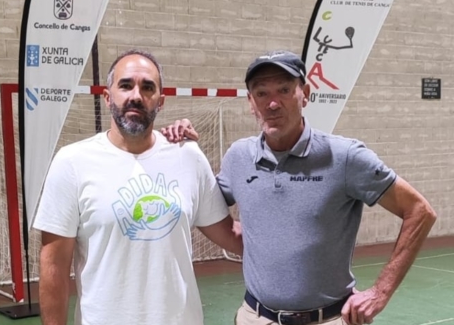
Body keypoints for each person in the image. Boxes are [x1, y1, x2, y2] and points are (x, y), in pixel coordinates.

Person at [163, 50, 437, 325]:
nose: (272, 104)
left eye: (284, 90)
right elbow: (200, 205)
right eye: (261, 93)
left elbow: (419, 211)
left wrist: (380, 293)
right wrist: (182, 148)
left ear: (305, 94)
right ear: (250, 102)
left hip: (328, 319)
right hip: (255, 317)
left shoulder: (345, 157)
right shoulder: (238, 157)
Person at [33, 49, 243, 325]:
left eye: (147, 87)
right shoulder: (72, 162)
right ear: (107, 97)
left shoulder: (187, 156)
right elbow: (54, 266)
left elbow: (230, 235)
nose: (136, 95)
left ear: (161, 101)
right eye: (125, 85)